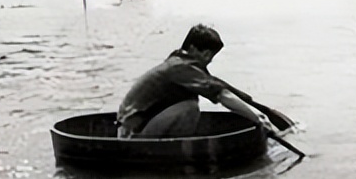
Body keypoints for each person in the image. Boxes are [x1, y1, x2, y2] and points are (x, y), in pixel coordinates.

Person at [115, 24, 276, 138]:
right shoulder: (180, 68)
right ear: (192, 49)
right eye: (206, 55)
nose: (209, 61)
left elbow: (220, 87)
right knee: (190, 107)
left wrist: (252, 107)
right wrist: (257, 119)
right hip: (132, 134)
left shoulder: (180, 63)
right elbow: (223, 95)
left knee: (190, 101)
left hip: (134, 127)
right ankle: (176, 149)